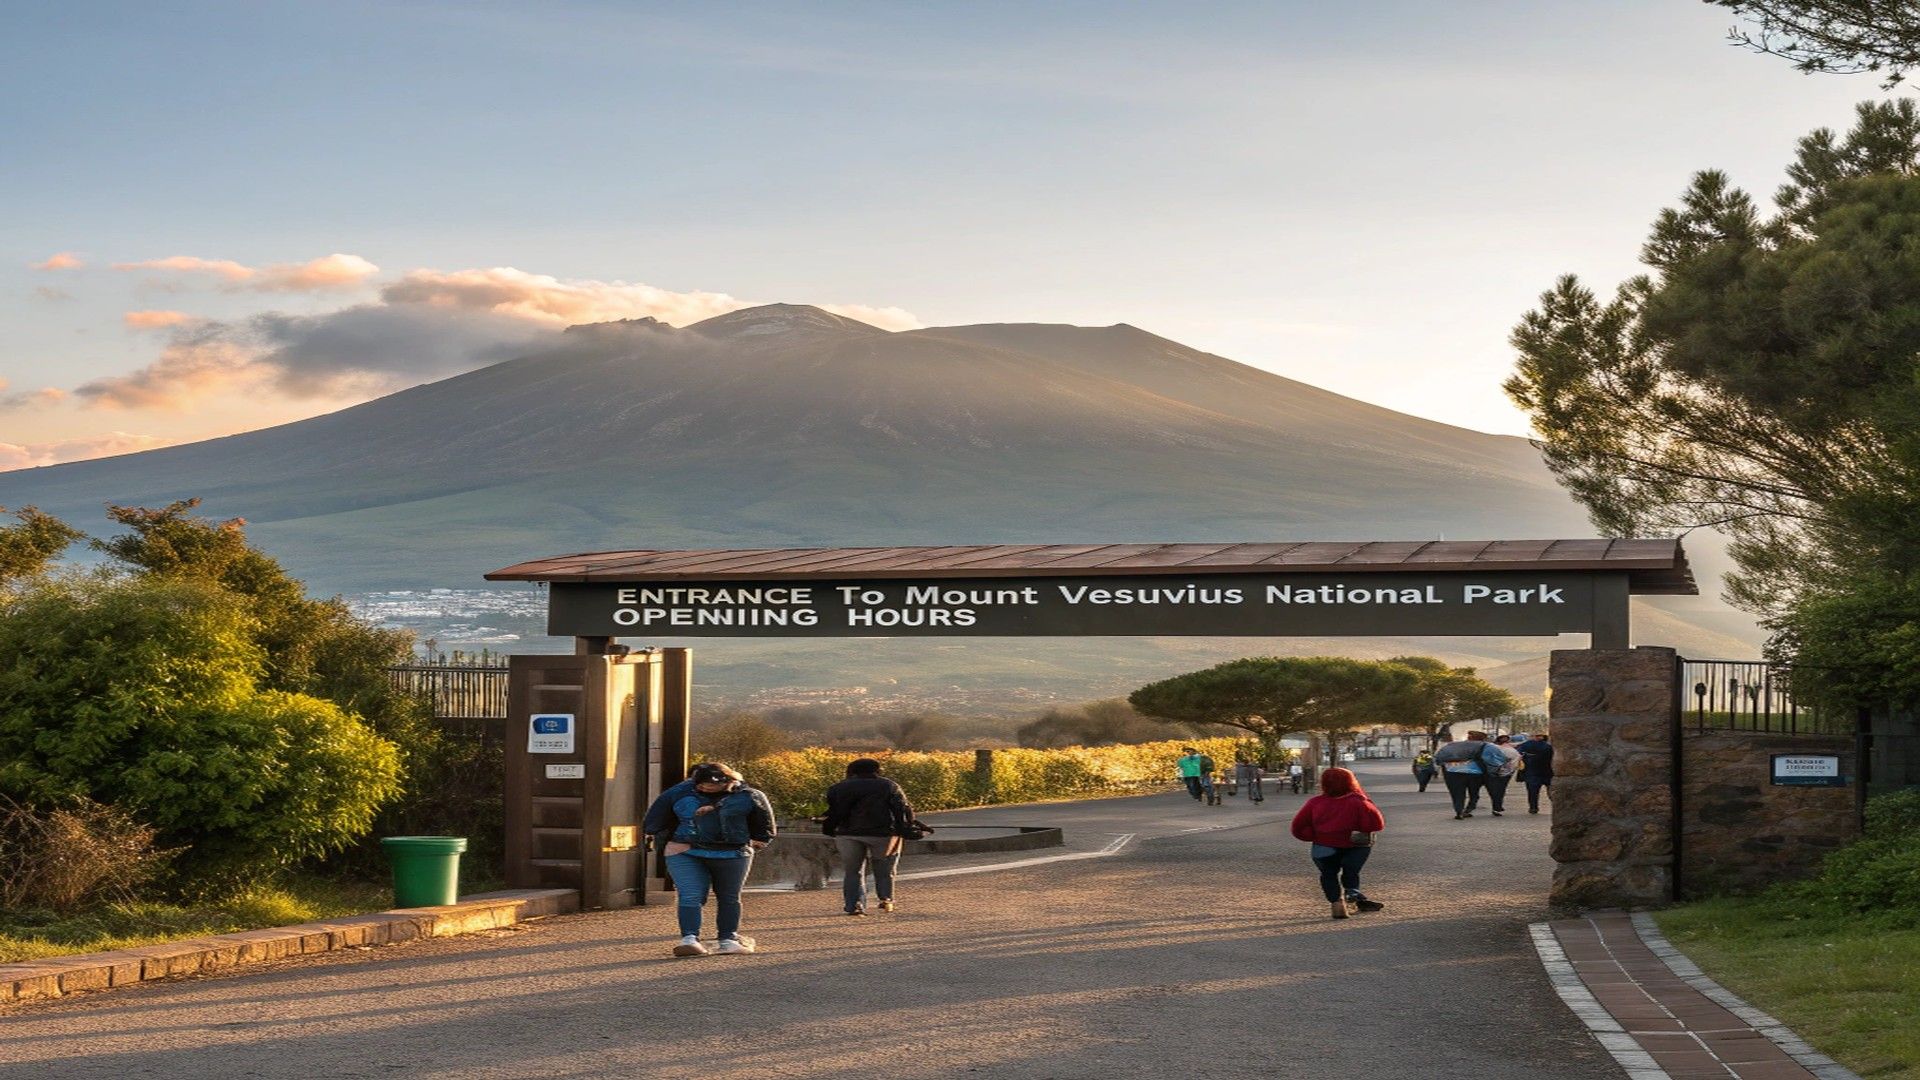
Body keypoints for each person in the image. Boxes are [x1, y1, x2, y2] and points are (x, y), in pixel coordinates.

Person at [642, 761, 776, 957]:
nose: (702, 787)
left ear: (727, 781)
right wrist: (665, 842)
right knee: (691, 895)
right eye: (699, 783)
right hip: (685, 851)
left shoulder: (749, 795)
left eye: (708, 784)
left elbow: (764, 825)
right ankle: (689, 939)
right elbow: (653, 821)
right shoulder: (678, 792)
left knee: (729, 896)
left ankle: (728, 938)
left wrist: (759, 841)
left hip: (733, 852)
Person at [822, 757, 917, 916]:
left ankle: (855, 905)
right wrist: (905, 827)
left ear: (851, 772)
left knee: (853, 871)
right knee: (885, 868)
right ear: (877, 770)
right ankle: (886, 899)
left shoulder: (837, 788)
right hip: (884, 834)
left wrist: (830, 829)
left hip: (848, 835)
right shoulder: (889, 785)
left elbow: (833, 812)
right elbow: (902, 809)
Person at [1289, 766, 1387, 919]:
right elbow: (1376, 824)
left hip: (1323, 845)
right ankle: (1352, 893)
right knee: (1351, 871)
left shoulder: (1315, 802)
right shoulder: (1358, 800)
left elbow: (1298, 827)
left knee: (1328, 874)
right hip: (1355, 845)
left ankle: (1336, 903)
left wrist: (1313, 835)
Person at [1433, 730, 1489, 819]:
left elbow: (1438, 758)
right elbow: (1489, 758)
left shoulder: (1452, 745)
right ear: (1482, 738)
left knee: (1457, 793)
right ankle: (1469, 809)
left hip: (1452, 771)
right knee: (1474, 792)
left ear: (1468, 737)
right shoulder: (1483, 745)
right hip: (1474, 772)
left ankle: (1459, 811)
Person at [1483, 735, 1522, 816]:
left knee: (1493, 789)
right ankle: (1497, 806)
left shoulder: (1491, 748)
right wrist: (1511, 771)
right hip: (1505, 773)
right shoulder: (1512, 750)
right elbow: (1515, 762)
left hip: (1491, 772)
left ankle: (1496, 805)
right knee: (1500, 789)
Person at [1517, 732, 1554, 814]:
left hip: (1531, 771)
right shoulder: (1549, 746)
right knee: (1551, 791)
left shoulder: (1526, 745)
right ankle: (1556, 806)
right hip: (1548, 771)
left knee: (1532, 792)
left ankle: (1533, 808)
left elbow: (1518, 753)